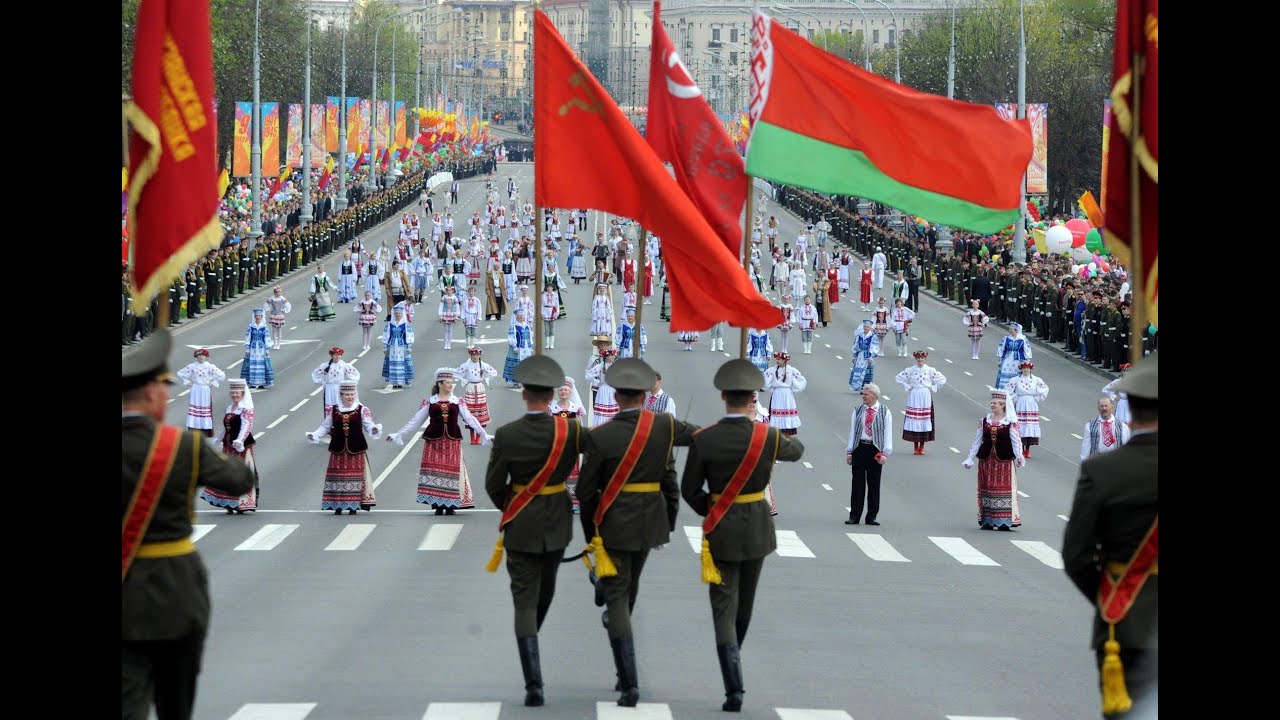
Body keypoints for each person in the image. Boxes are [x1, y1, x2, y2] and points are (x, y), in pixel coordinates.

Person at [123, 330, 256, 720]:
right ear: (150, 393)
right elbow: (239, 480)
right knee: (175, 702)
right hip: (176, 591)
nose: (167, 396)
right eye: (164, 389)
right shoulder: (182, 446)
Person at [681, 359, 805, 712]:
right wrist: (761, 428)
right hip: (757, 527)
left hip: (721, 525)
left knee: (723, 605)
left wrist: (714, 509)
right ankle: (735, 655)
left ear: (723, 396)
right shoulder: (766, 435)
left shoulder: (705, 438)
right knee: (745, 606)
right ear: (753, 399)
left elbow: (690, 490)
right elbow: (797, 452)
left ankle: (732, 686)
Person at [576, 359, 699, 707]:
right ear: (646, 396)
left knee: (618, 598)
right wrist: (670, 521)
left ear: (615, 397)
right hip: (650, 522)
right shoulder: (664, 427)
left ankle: (628, 682)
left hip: (613, 523)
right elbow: (696, 444)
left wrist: (592, 536)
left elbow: (585, 493)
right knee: (628, 589)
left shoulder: (599, 436)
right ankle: (622, 664)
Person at [483, 356, 594, 708]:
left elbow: (493, 485)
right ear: (551, 396)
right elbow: (600, 458)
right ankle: (532, 649)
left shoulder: (507, 434)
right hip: (558, 523)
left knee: (524, 599)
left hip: (520, 524)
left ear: (524, 395)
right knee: (545, 593)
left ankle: (533, 680)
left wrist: (514, 507)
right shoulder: (571, 430)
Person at [1062, 353, 1158, 719]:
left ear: (1127, 410)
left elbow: (1076, 556)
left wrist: (1112, 594)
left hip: (1124, 621)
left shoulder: (1103, 471)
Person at [388, 367, 491, 515]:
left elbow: (470, 419)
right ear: (440, 384)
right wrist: (399, 434)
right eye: (448, 382)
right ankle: (437, 504)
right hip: (434, 441)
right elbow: (415, 421)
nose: (451, 385)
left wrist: (484, 434)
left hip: (451, 441)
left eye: (452, 382)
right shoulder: (430, 402)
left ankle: (450, 505)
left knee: (451, 472)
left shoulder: (457, 402)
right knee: (435, 471)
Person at [306, 379, 382, 514]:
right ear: (341, 395)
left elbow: (368, 424)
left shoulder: (361, 409)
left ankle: (354, 505)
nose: (350, 397)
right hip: (338, 448)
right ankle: (338, 505)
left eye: (352, 394)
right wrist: (315, 434)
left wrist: (374, 429)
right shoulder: (334, 409)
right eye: (347, 395)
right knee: (338, 476)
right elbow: (325, 426)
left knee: (356, 476)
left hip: (356, 448)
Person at [962, 388, 1026, 530]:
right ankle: (988, 519)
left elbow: (1016, 441)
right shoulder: (984, 421)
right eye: (992, 403)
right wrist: (970, 458)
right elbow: (977, 440)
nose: (993, 405)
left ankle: (1003, 521)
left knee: (1003, 489)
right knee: (987, 488)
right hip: (986, 460)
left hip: (1003, 461)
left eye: (996, 403)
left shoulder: (1009, 423)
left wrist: (1020, 456)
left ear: (1003, 405)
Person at [199, 379, 260, 514]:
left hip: (241, 447)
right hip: (228, 445)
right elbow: (227, 428)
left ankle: (240, 504)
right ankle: (228, 503)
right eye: (232, 393)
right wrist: (218, 439)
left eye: (237, 393)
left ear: (242, 393)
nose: (234, 395)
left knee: (239, 473)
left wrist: (239, 441)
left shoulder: (246, 409)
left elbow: (247, 426)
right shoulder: (230, 408)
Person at [844, 383, 892, 525]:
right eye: (863, 394)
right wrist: (850, 451)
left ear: (874, 396)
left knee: (874, 483)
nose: (863, 396)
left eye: (866, 394)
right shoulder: (858, 410)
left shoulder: (884, 411)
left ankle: (871, 516)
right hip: (860, 447)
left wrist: (885, 453)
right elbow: (853, 431)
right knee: (857, 483)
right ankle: (855, 515)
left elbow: (887, 433)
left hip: (875, 448)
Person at [549, 375, 589, 513]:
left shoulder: (576, 409)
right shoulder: (552, 409)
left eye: (566, 390)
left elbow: (580, 427)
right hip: (557, 446)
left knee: (573, 473)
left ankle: (574, 502)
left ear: (570, 392)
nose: (563, 392)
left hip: (571, 446)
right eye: (561, 390)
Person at [895, 351, 947, 456]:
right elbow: (898, 378)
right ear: (916, 359)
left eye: (922, 358)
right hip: (914, 394)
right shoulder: (911, 370)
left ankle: (922, 446)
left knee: (924, 420)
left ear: (925, 359)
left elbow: (942, 379)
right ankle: (915, 446)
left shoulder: (930, 370)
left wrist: (933, 388)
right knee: (915, 419)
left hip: (925, 395)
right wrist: (908, 386)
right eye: (918, 358)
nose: (920, 360)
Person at [175, 348, 225, 437]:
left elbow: (221, 375)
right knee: (195, 408)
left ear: (206, 356)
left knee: (204, 408)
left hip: (205, 390)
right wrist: (187, 382)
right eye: (199, 355)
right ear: (196, 356)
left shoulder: (210, 367)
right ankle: (194, 428)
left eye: (203, 355)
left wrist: (213, 383)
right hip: (195, 389)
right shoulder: (192, 366)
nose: (201, 357)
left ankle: (205, 430)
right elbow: (180, 374)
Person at [1005, 361, 1049, 458]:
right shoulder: (1015, 380)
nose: (1026, 370)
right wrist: (1016, 398)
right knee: (1020, 426)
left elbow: (1045, 389)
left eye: (1028, 368)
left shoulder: (1036, 380)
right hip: (1020, 403)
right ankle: (1020, 448)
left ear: (1030, 369)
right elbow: (1007, 391)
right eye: (1024, 368)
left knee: (1030, 425)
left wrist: (1036, 398)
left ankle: (1027, 449)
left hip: (1031, 404)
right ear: (1021, 369)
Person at [457, 347, 499, 445]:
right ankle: (472, 437)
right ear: (470, 355)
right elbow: (456, 372)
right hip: (470, 388)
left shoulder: (483, 365)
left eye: (477, 355)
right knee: (471, 413)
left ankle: (478, 437)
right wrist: (463, 380)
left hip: (480, 388)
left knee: (480, 413)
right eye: (473, 355)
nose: (475, 357)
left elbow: (494, 372)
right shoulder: (466, 365)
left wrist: (486, 378)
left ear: (480, 355)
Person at [764, 352, 807, 436]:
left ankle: (786, 431)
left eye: (779, 359)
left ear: (784, 360)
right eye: (776, 359)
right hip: (777, 394)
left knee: (786, 411)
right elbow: (765, 381)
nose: (777, 361)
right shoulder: (772, 370)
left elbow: (802, 380)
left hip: (787, 395)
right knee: (776, 411)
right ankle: (777, 432)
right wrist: (771, 388)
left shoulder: (791, 370)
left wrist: (793, 389)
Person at [312, 347, 361, 418]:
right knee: (330, 405)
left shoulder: (344, 365)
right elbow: (315, 374)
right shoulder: (325, 365)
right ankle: (330, 420)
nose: (337, 356)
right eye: (335, 355)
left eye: (339, 355)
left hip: (339, 388)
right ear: (331, 356)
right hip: (330, 388)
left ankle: (341, 419)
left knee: (340, 404)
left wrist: (348, 384)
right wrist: (324, 382)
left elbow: (355, 375)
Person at [1081, 397, 1132, 461]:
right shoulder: (1090, 425)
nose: (1104, 408)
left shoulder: (1122, 426)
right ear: (1098, 408)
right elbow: (1086, 446)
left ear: (1111, 407)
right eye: (1101, 406)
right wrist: (1084, 462)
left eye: (1106, 406)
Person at [382, 302, 416, 389]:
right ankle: (394, 382)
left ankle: (401, 382)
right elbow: (386, 335)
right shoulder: (390, 324)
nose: (398, 315)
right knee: (392, 363)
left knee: (403, 363)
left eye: (399, 313)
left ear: (402, 314)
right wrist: (385, 347)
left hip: (402, 346)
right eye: (396, 313)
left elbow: (409, 336)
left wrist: (409, 346)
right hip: (392, 346)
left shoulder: (406, 325)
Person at [241, 309, 274, 389]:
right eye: (256, 316)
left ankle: (261, 382)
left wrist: (267, 349)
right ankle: (252, 382)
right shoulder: (251, 326)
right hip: (253, 348)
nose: (257, 317)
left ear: (261, 317)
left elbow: (266, 337)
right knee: (252, 364)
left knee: (262, 364)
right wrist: (247, 348)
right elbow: (248, 337)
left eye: (259, 316)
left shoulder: (264, 327)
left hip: (261, 348)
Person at [586, 348, 620, 427]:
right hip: (604, 389)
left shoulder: (616, 366)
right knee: (603, 411)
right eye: (611, 355)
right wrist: (597, 382)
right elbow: (588, 375)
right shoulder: (601, 366)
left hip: (613, 390)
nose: (613, 357)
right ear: (606, 356)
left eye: (613, 356)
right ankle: (601, 426)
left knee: (613, 409)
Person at [995, 322, 1032, 391]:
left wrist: (1027, 360)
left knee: (1017, 373)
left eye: (1011, 329)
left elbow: (1027, 349)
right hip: (1008, 359)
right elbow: (1001, 349)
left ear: (1016, 330)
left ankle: (1016, 389)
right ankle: (1004, 388)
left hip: (1019, 360)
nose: (1010, 330)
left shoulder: (1022, 339)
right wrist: (1000, 360)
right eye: (1010, 329)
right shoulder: (1006, 339)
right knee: (1005, 371)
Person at [504, 308, 535, 386]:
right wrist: (514, 347)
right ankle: (516, 381)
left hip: (526, 349)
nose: (521, 317)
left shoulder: (527, 326)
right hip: (518, 349)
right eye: (519, 316)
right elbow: (511, 337)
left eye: (522, 316)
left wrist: (530, 346)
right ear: (516, 317)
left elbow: (530, 337)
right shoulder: (514, 326)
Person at [848, 319, 879, 392]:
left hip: (867, 356)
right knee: (858, 371)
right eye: (865, 327)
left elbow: (874, 347)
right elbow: (855, 345)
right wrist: (854, 356)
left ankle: (864, 388)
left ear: (870, 328)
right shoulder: (859, 336)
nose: (866, 328)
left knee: (866, 372)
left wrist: (871, 357)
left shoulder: (873, 336)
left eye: (867, 327)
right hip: (860, 356)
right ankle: (857, 386)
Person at [1102, 363, 1133, 428]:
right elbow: (1105, 390)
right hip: (1122, 404)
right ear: (1122, 372)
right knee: (1121, 423)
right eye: (1126, 371)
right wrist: (1114, 396)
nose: (1128, 373)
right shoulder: (1118, 381)